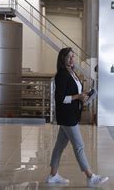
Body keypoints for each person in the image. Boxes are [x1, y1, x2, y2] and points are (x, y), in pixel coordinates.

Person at [46, 47, 109, 187]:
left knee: (59, 147)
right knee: (79, 145)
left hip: (71, 115)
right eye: (69, 57)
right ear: (62, 59)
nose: (72, 59)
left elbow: (75, 92)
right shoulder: (61, 75)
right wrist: (77, 97)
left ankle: (52, 175)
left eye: (73, 56)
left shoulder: (72, 73)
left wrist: (84, 96)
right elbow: (60, 98)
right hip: (67, 116)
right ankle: (90, 176)